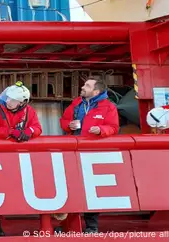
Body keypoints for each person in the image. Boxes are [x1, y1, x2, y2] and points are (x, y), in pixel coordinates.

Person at [60, 76, 118, 234]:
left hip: (94, 154)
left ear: (96, 91)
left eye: (87, 85)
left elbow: (113, 127)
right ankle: (68, 224)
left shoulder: (109, 107)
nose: (83, 87)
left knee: (91, 190)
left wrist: (101, 130)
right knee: (70, 187)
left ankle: (92, 226)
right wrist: (68, 125)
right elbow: (64, 120)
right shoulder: (76, 103)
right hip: (73, 153)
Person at [0, 82, 42, 237]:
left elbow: (37, 128)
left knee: (11, 190)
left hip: (19, 157)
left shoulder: (29, 112)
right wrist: (11, 132)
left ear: (22, 103)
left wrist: (28, 131)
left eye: (13, 100)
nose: (8, 101)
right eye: (8, 98)